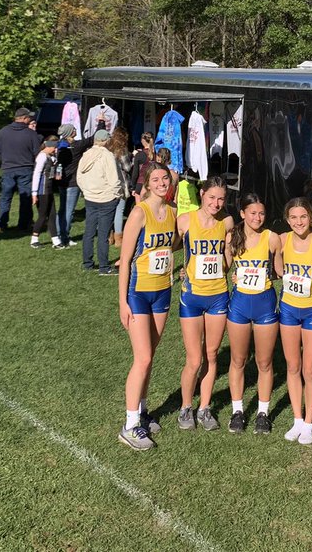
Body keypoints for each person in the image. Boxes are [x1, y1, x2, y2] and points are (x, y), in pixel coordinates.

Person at [117, 163, 178, 451]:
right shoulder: (139, 213)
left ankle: (142, 410)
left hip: (162, 293)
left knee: (150, 356)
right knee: (141, 359)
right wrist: (122, 302)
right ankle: (129, 425)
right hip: (139, 294)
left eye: (165, 177)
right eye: (156, 179)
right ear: (148, 184)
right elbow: (125, 260)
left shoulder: (172, 213)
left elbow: (171, 245)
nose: (162, 182)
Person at [176, 175, 233, 431]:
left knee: (211, 355)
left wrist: (224, 261)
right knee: (194, 358)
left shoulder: (227, 223)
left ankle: (205, 407)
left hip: (218, 295)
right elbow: (172, 249)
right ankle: (186, 406)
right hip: (191, 298)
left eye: (221, 198)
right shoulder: (185, 221)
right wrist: (177, 270)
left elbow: (227, 260)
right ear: (202, 194)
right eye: (212, 197)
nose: (216, 203)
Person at [225, 193, 283, 435]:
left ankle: (263, 412)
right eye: (252, 213)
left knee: (264, 362)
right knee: (238, 360)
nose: (258, 217)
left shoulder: (272, 238)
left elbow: (280, 272)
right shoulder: (232, 237)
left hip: (265, 305)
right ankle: (237, 411)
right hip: (239, 305)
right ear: (242, 214)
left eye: (261, 213)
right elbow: (224, 268)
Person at [277, 196, 312, 445]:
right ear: (287, 220)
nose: (299, 222)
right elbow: (272, 269)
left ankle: (309, 423)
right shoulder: (282, 240)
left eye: (303, 217)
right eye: (294, 218)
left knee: (310, 369)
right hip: (288, 310)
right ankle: (297, 419)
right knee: (292, 366)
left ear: (311, 217)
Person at [76, 129, 122, 275]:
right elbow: (114, 179)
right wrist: (115, 194)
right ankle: (103, 267)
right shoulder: (107, 156)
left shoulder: (86, 154)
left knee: (89, 232)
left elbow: (80, 177)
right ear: (106, 141)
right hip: (106, 199)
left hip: (90, 198)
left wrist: (86, 191)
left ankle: (87, 263)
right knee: (103, 234)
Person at [0, 107, 40, 233]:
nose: (30, 119)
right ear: (24, 118)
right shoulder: (31, 133)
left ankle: (2, 224)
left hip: (8, 168)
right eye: (29, 117)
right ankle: (23, 225)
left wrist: (5, 160)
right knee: (25, 198)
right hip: (26, 169)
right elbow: (37, 152)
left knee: (5, 197)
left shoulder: (3, 131)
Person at [54, 124, 91, 247]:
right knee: (69, 211)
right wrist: (101, 121)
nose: (76, 130)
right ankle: (64, 237)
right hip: (72, 182)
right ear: (70, 133)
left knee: (62, 209)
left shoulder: (59, 146)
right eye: (74, 129)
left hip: (62, 181)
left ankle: (59, 235)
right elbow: (92, 139)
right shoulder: (75, 146)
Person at [30, 136, 58, 248]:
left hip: (49, 189)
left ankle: (56, 240)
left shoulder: (50, 157)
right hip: (42, 191)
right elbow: (36, 174)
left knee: (52, 215)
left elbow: (51, 172)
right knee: (42, 216)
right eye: (54, 147)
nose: (55, 150)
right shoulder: (41, 157)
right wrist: (34, 193)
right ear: (48, 145)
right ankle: (34, 239)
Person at [109, 126, 133, 248]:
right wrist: (133, 158)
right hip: (122, 183)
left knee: (109, 210)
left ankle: (109, 236)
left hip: (109, 184)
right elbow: (127, 167)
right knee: (119, 210)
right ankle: (119, 238)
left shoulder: (108, 148)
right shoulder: (122, 150)